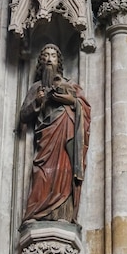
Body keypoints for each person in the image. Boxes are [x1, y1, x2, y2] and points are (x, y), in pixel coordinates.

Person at [20, 44, 91, 224]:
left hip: (66, 137)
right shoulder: (37, 87)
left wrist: (70, 100)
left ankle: (63, 215)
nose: (50, 59)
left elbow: (84, 106)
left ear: (59, 61)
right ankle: (36, 213)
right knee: (43, 173)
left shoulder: (70, 85)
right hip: (46, 136)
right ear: (41, 61)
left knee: (64, 171)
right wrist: (38, 101)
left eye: (53, 55)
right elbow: (24, 115)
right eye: (46, 55)